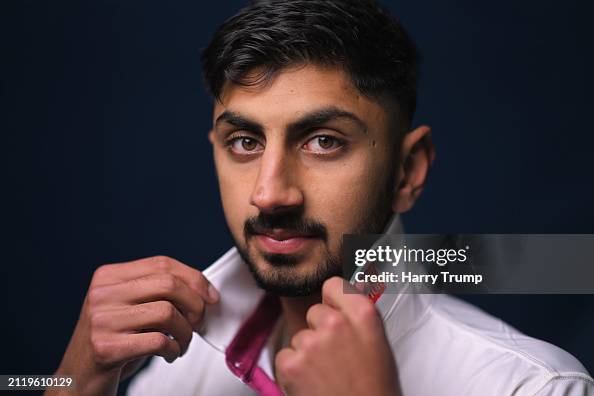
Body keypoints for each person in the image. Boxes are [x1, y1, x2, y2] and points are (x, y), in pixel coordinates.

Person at [48, 1, 593, 395]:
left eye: (324, 142)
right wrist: (74, 381)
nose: (270, 194)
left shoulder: (531, 386)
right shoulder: (178, 368)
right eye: (245, 141)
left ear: (407, 171)